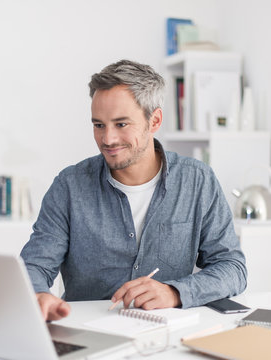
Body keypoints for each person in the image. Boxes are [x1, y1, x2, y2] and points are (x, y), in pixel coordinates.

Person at [20, 59, 247, 321]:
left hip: (167, 334)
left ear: (155, 121)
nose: (108, 139)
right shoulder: (69, 186)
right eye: (99, 125)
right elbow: (34, 265)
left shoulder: (197, 181)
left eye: (121, 124)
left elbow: (232, 268)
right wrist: (38, 294)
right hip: (91, 335)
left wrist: (175, 292)